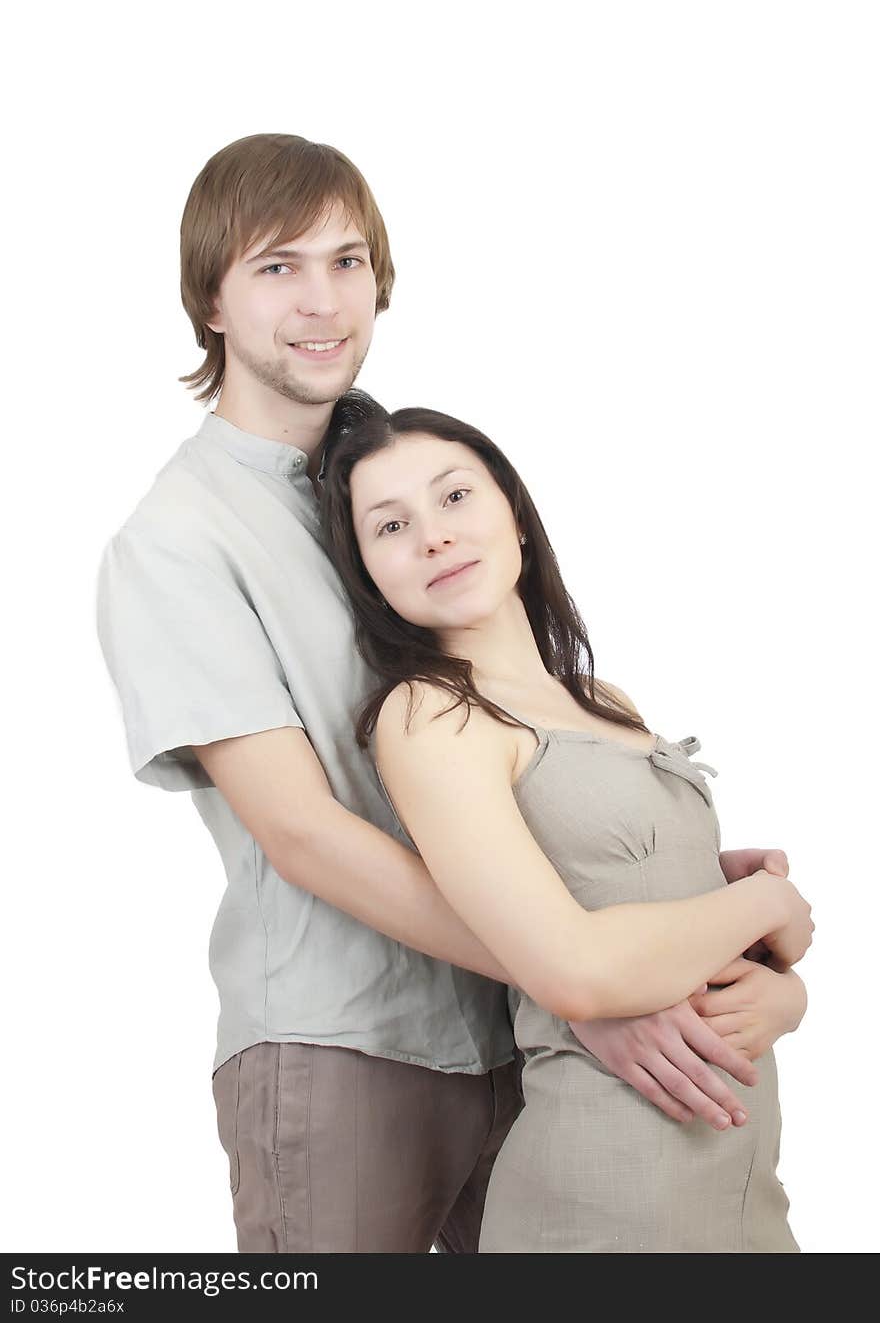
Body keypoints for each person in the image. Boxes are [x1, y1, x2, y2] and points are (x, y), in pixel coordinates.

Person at [96, 132, 804, 1255]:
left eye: (347, 260)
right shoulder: (181, 539)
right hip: (349, 1046)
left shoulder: (399, 474)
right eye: (277, 267)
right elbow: (303, 830)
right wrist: (580, 979)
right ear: (210, 301)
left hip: (519, 1042)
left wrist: (654, 895)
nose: (323, 301)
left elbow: (522, 761)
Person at [318, 405, 811, 1252]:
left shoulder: (606, 703)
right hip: (604, 1198)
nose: (433, 536)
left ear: (512, 507)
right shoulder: (431, 714)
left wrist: (783, 991)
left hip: (745, 1193)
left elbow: (675, 921)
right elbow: (576, 972)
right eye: (391, 526)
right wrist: (770, 899)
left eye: (455, 497)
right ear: (367, 573)